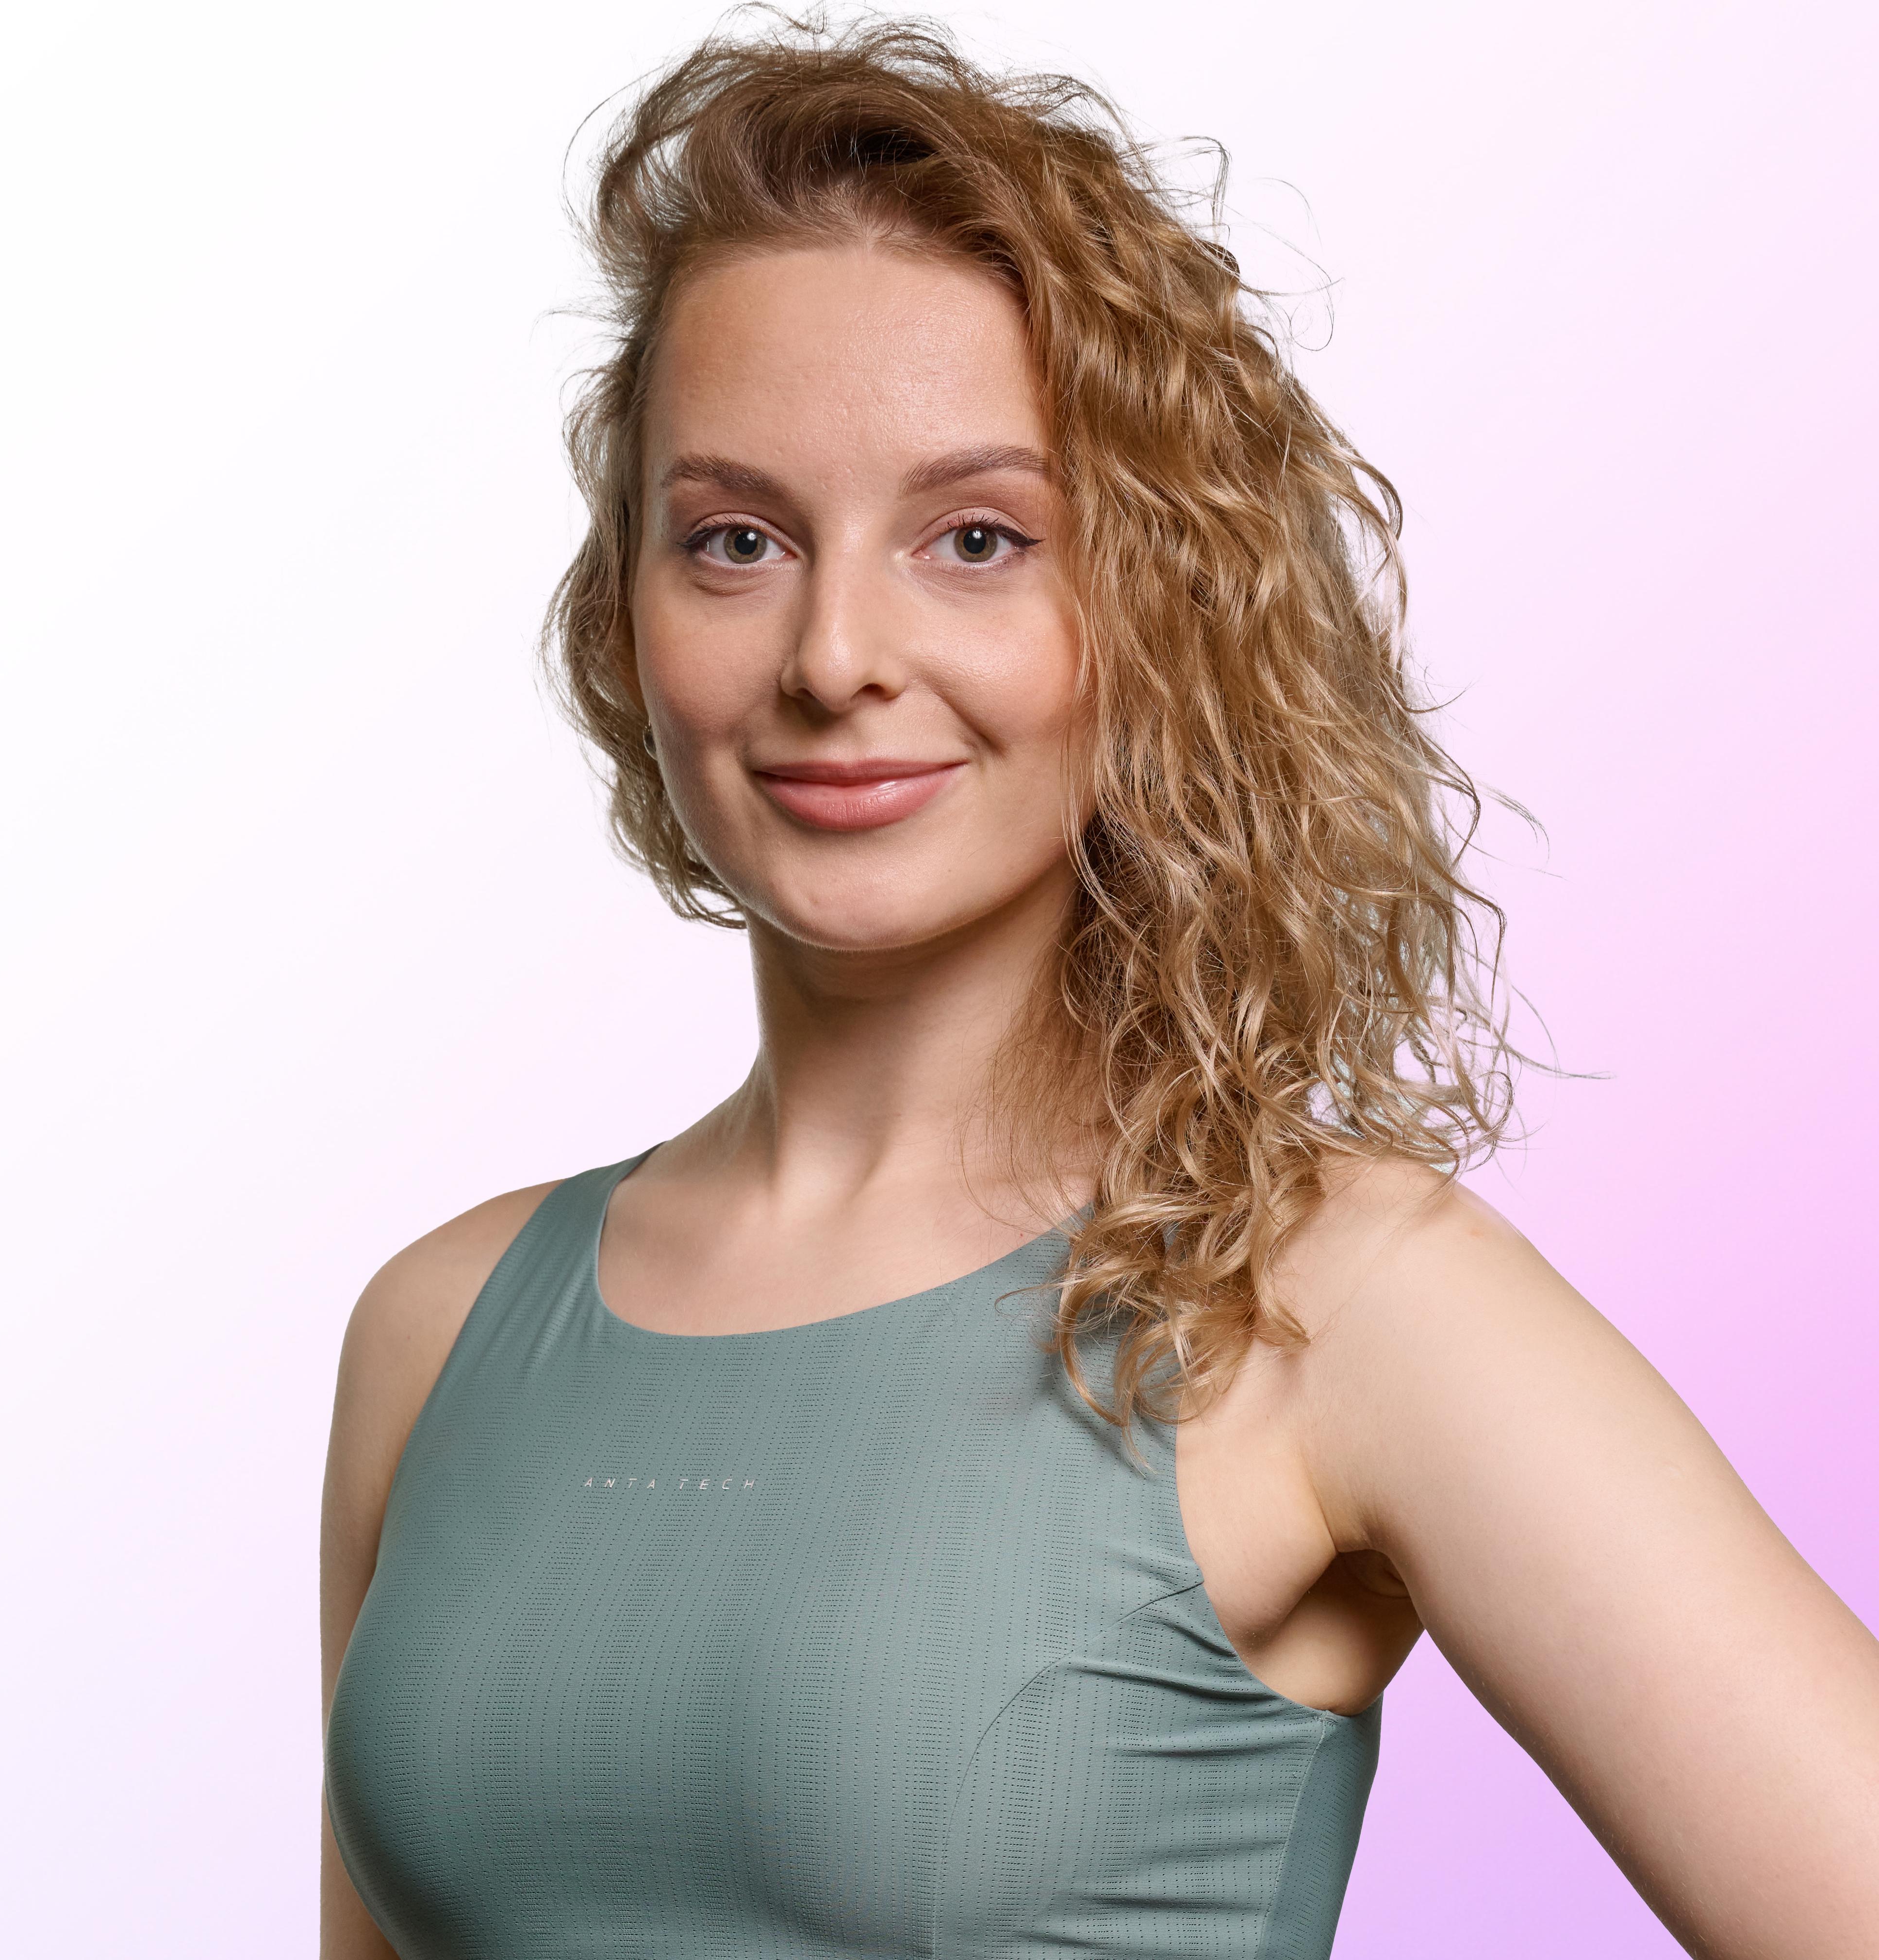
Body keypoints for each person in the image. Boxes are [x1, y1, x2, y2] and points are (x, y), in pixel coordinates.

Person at [317, 16, 1879, 1958]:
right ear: (623, 604)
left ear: (1154, 605)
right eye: (735, 540)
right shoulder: (439, 1329)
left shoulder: (1332, 1301)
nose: (832, 654)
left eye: (976, 539)